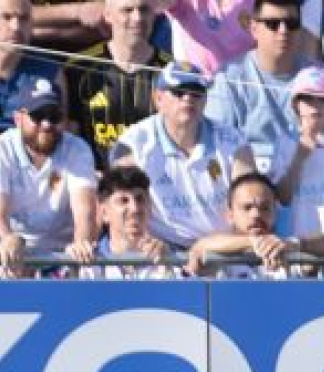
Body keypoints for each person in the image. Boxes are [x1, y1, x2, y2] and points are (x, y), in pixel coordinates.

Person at [109, 62, 257, 249]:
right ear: (158, 99)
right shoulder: (134, 144)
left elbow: (250, 201)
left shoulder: (234, 141)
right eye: (179, 92)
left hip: (223, 249)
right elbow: (123, 208)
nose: (188, 99)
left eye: (196, 93)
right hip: (162, 251)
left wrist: (232, 244)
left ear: (205, 100)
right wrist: (147, 242)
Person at [207, 0, 324, 173]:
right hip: (249, 181)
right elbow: (217, 148)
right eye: (273, 24)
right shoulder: (227, 79)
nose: (283, 31)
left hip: (311, 178)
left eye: (292, 24)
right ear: (254, 28)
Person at [0, 76, 99, 278]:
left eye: (54, 116)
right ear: (18, 118)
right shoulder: (3, 148)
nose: (46, 124)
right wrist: (8, 238)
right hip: (14, 250)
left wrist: (81, 243)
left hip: (62, 254)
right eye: (38, 116)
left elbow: (85, 210)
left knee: (89, 269)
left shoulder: (77, 149)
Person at [63, 0, 173, 165]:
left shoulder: (170, 72)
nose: (137, 18)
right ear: (108, 15)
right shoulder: (79, 68)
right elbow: (70, 137)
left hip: (155, 182)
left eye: (144, 10)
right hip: (97, 181)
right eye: (127, 10)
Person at [185, 171, 324, 277]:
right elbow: (201, 246)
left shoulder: (286, 250)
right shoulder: (219, 255)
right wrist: (254, 243)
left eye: (265, 208)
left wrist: (294, 244)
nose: (256, 214)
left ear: (275, 212)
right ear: (230, 214)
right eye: (247, 208)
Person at [268, 65, 324, 251]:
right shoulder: (284, 142)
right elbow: (282, 197)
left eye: (322, 100)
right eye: (308, 99)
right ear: (296, 104)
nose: (315, 106)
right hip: (301, 241)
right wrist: (299, 157)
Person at [73, 163, 177, 278]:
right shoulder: (88, 264)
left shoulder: (167, 261)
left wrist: (168, 267)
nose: (135, 208)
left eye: (140, 199)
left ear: (150, 207)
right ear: (104, 212)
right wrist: (73, 264)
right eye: (123, 200)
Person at [0, 0, 63, 139]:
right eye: (6, 17)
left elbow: (60, 130)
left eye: (24, 19)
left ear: (32, 23)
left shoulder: (50, 69)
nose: (16, 27)